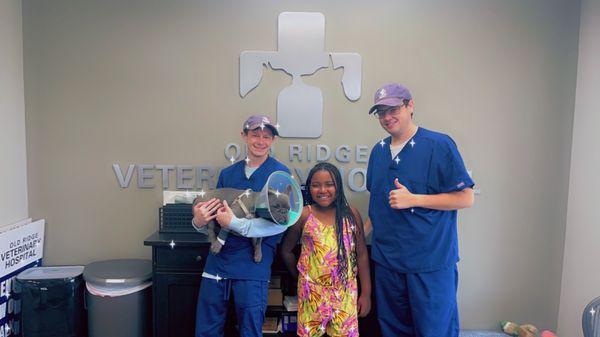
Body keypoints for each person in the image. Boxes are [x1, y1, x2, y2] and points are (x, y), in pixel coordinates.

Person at [366, 83, 475, 337]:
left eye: (393, 109)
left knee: (433, 330)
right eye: (380, 112)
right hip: (387, 263)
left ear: (410, 106)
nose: (386, 117)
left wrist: (414, 199)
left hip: (429, 264)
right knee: (392, 330)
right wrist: (358, 237)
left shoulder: (439, 144)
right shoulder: (378, 152)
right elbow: (377, 208)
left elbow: (466, 198)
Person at [191, 115, 290, 337]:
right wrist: (198, 221)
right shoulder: (228, 175)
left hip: (253, 263)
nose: (260, 141)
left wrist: (236, 223)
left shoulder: (279, 176)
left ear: (273, 140)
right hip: (219, 261)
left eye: (266, 136)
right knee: (207, 328)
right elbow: (214, 217)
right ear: (244, 136)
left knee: (250, 329)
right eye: (255, 135)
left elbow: (281, 224)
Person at [281, 162, 372, 337]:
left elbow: (361, 256)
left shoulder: (351, 214)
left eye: (329, 184)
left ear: (338, 185)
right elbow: (286, 251)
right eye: (316, 185)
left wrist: (366, 293)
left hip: (345, 294)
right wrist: (301, 277)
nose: (323, 190)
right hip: (312, 296)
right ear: (309, 188)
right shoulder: (304, 215)